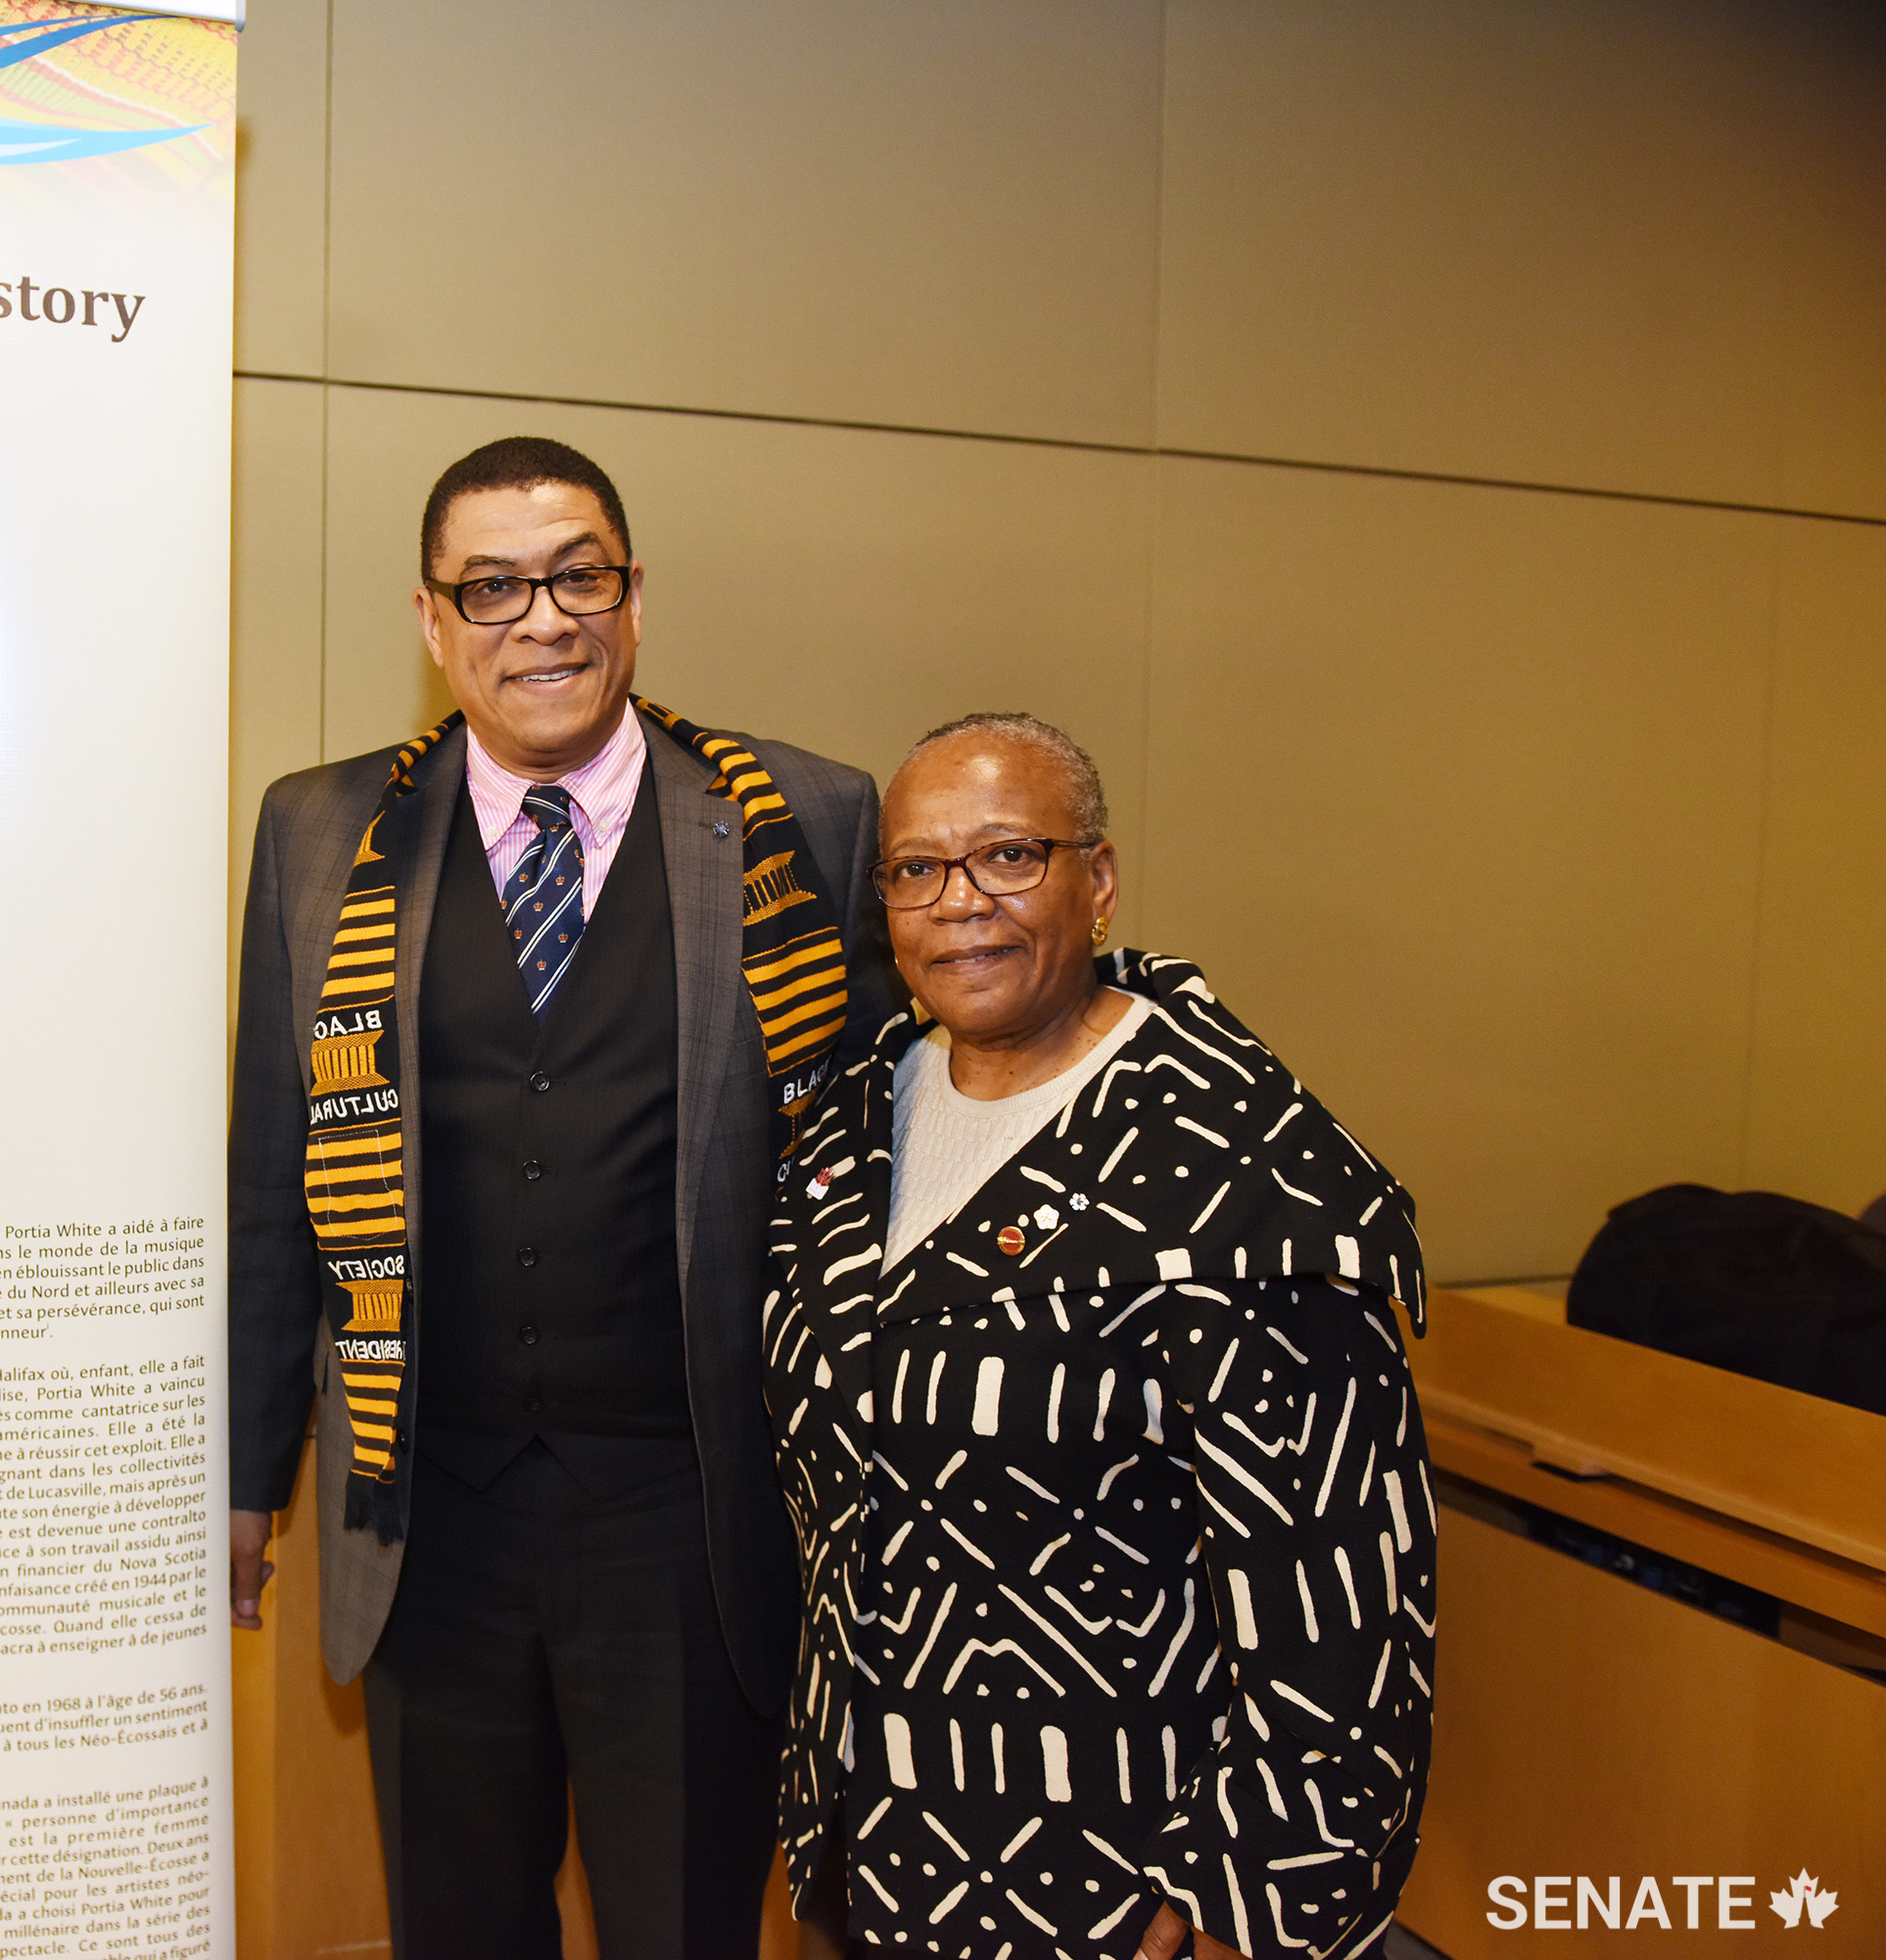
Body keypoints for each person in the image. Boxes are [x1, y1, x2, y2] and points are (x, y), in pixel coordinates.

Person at [228, 437, 890, 1959]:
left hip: (689, 1510)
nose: (545, 619)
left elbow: (873, 1167)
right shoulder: (320, 833)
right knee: (456, 1928)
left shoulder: (806, 818)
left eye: (579, 574)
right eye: (495, 585)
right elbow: (276, 1173)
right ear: (432, 617)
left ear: (634, 593)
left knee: (683, 1925)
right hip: (421, 1507)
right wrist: (250, 1470)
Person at [765, 714, 1435, 1960]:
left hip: (1115, 1874)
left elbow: (1344, 1598)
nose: (960, 901)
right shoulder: (853, 1128)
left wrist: (1244, 1895)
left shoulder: (1242, 1171)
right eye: (917, 869)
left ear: (1102, 881)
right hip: (869, 1837)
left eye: (1009, 856)